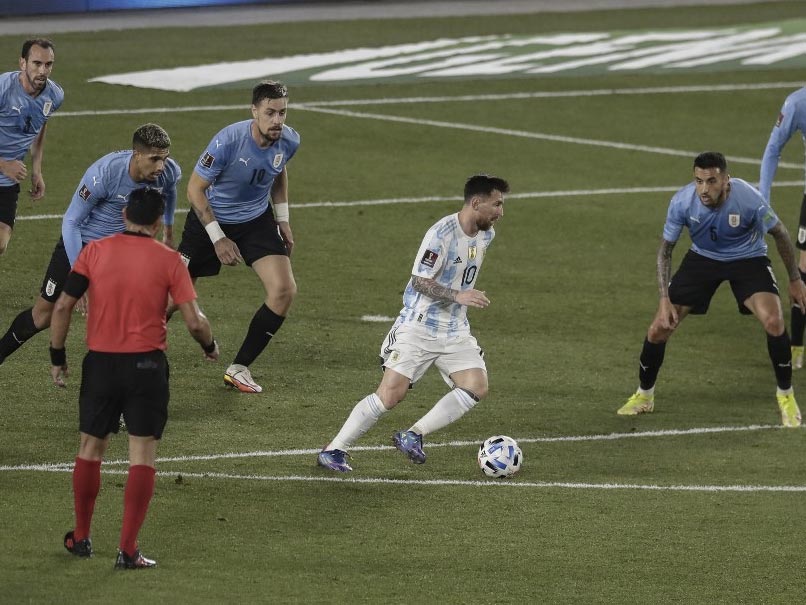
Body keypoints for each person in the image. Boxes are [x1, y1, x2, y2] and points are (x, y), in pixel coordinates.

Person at [53, 187, 219, 569]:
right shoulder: (170, 260)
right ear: (158, 222)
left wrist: (57, 356)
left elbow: (62, 306)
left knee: (90, 449)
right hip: (147, 368)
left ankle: (81, 537)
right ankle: (127, 550)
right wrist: (209, 346)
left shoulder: (94, 251)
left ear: (124, 213)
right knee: (141, 455)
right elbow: (195, 321)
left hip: (101, 365)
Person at [318, 174, 509, 473]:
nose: (501, 212)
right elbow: (420, 280)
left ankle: (413, 435)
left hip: (455, 329)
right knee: (390, 395)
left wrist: (459, 300)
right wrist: (458, 295)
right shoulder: (441, 235)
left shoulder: (487, 234)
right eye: (496, 204)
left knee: (476, 386)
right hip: (419, 326)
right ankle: (334, 450)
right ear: (476, 203)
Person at [619, 151, 806, 427]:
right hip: (703, 258)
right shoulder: (682, 202)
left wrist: (795, 279)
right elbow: (665, 251)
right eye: (699, 181)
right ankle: (644, 396)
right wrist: (664, 299)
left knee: (774, 321)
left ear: (726, 180)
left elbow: (780, 232)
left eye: (711, 181)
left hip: (748, 258)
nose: (704, 189)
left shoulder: (749, 199)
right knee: (658, 328)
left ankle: (786, 395)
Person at [0, 123, 180, 365]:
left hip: (121, 252)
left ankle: (134, 371)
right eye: (154, 159)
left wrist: (168, 231)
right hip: (82, 245)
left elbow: (169, 192)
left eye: (164, 158)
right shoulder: (104, 174)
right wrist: (80, 276)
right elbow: (71, 222)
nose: (161, 166)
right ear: (137, 154)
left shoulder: (168, 172)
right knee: (42, 317)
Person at [176, 79, 299, 394]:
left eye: (282, 112)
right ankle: (129, 352)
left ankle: (239, 368)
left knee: (284, 290)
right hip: (210, 219)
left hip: (255, 220)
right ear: (254, 111)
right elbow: (194, 189)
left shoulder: (289, 140)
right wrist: (218, 238)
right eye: (270, 113)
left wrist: (282, 219)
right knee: (171, 298)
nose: (277, 120)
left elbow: (278, 171)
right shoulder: (228, 141)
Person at [0, 38, 63, 256]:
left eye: (48, 64)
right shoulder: (3, 89)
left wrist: (37, 170)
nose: (43, 71)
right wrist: (4, 165)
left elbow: (39, 126)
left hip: (7, 180)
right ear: (22, 63)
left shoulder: (54, 95)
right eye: (37, 63)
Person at [759, 85, 806, 369]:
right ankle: (797, 345)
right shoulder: (797, 103)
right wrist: (763, 199)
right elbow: (773, 149)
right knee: (805, 270)